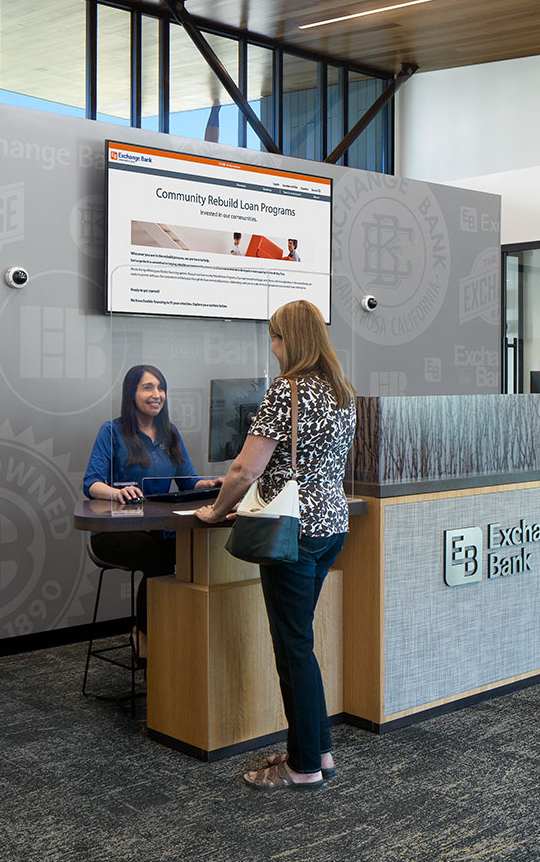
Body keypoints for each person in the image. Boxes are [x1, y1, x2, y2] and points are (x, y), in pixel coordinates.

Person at [194, 300, 355, 789]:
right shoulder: (340, 389)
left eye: (276, 337)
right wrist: (232, 483)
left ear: (292, 341)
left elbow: (247, 468)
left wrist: (217, 509)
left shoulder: (286, 390)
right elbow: (301, 461)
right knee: (300, 644)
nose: (273, 345)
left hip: (294, 531)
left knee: (294, 648)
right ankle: (317, 750)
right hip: (331, 525)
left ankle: (302, 767)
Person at [84, 364, 220, 655]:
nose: (157, 394)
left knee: (189, 556)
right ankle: (144, 635)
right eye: (148, 387)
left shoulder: (169, 433)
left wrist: (210, 482)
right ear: (131, 394)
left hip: (159, 528)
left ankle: (178, 635)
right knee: (158, 562)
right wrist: (117, 492)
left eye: (161, 388)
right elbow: (91, 484)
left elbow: (187, 480)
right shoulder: (111, 432)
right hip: (116, 530)